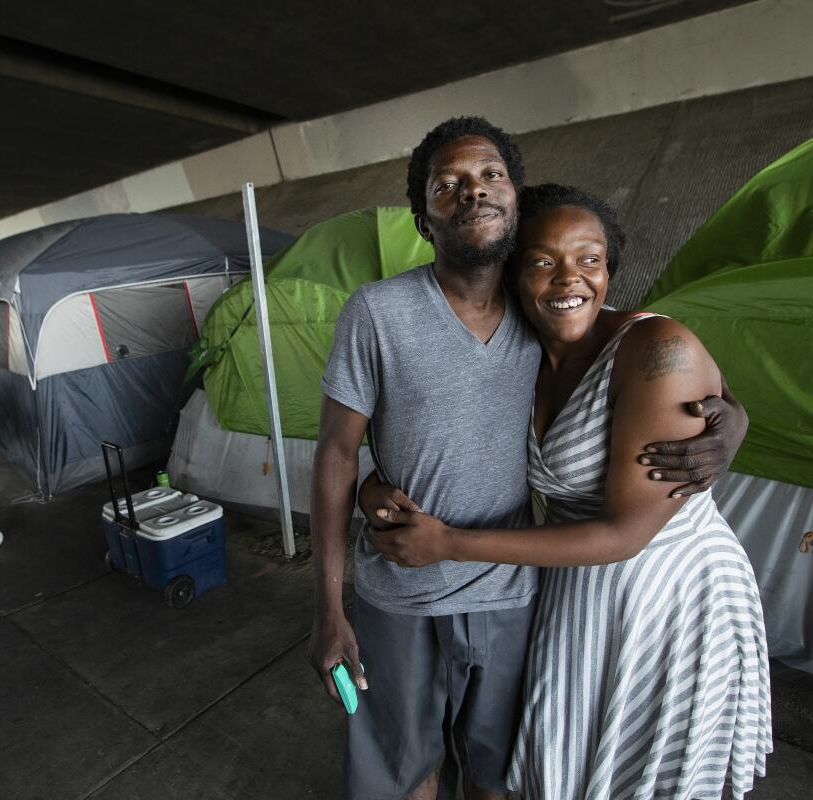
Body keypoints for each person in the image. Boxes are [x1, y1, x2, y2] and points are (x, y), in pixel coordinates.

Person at [310, 117, 748, 800]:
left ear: (513, 201)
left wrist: (734, 415)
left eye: (490, 176)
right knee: (404, 771)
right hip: (409, 590)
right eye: (447, 185)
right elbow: (342, 450)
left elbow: (652, 355)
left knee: (505, 771)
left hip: (529, 595)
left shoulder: (550, 314)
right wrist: (330, 603)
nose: (472, 192)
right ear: (423, 219)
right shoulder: (391, 311)